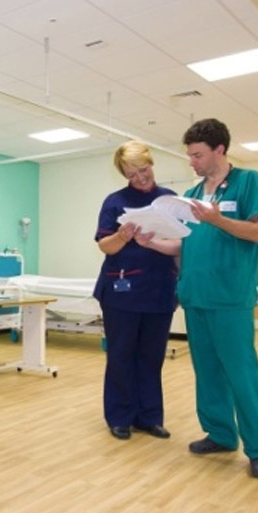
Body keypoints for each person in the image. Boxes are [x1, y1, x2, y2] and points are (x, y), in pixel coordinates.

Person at [136, 118, 258, 479]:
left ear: (220, 149)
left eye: (197, 155)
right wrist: (151, 243)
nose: (192, 161)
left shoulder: (248, 181)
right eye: (190, 155)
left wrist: (219, 220)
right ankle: (220, 434)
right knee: (208, 371)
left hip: (230, 296)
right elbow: (185, 245)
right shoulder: (193, 194)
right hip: (196, 295)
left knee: (241, 374)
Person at [93, 140, 178, 441]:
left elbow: (182, 243)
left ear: (151, 163)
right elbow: (105, 246)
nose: (140, 178)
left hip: (160, 290)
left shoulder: (169, 200)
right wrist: (122, 235)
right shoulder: (115, 202)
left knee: (152, 357)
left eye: (143, 170)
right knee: (121, 355)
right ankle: (120, 417)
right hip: (122, 292)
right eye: (132, 174)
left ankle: (149, 417)